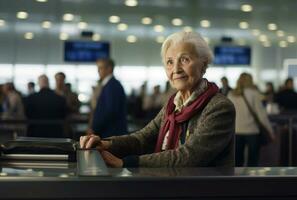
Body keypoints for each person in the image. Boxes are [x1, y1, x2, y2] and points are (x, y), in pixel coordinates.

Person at [80, 31, 235, 168]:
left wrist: (126, 163)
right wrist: (105, 144)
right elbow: (143, 139)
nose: (176, 69)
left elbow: (189, 157)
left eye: (185, 60)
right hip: (172, 186)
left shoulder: (219, 107)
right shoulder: (172, 105)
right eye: (170, 62)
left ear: (204, 64)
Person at [228, 73, 274, 166]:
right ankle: (251, 179)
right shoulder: (254, 93)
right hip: (252, 131)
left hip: (236, 130)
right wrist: (270, 131)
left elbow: (228, 114)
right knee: (253, 160)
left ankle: (237, 179)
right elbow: (261, 115)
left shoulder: (231, 94)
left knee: (237, 160)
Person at [89, 58, 127, 137]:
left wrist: (95, 128)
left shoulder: (112, 86)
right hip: (108, 131)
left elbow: (109, 112)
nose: (98, 71)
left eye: (100, 68)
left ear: (109, 68)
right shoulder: (109, 84)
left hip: (110, 133)